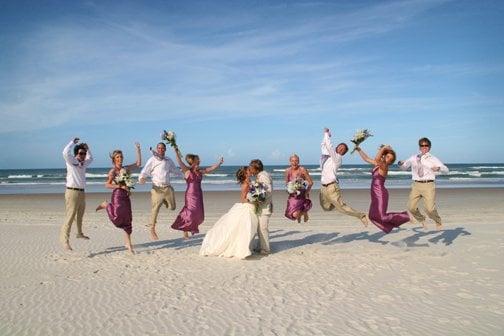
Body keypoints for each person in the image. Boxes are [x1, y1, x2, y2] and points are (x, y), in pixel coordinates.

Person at [199, 167, 259, 259]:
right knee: (245, 228)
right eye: (248, 171)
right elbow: (243, 199)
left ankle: (246, 247)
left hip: (251, 207)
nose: (250, 172)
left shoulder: (250, 181)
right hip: (247, 207)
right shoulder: (245, 184)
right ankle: (240, 249)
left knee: (248, 228)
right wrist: (253, 200)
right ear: (245, 174)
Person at [95, 143, 142, 254]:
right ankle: (106, 205)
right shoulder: (113, 171)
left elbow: (138, 164)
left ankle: (129, 246)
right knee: (117, 219)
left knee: (128, 220)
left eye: (121, 157)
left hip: (126, 197)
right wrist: (120, 186)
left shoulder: (126, 169)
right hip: (117, 196)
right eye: (117, 157)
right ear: (114, 159)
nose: (120, 158)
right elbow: (107, 185)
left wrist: (138, 150)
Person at [355, 145, 411, 233]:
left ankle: (406, 216)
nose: (388, 159)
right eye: (387, 156)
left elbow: (377, 159)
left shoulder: (384, 166)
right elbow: (366, 158)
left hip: (381, 193)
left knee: (382, 216)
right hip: (374, 193)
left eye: (390, 159)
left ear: (390, 162)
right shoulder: (378, 164)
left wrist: (384, 148)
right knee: (372, 216)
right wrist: (359, 150)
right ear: (384, 155)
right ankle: (391, 226)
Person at [171, 147, 224, 239]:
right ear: (194, 161)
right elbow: (180, 162)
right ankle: (185, 230)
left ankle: (191, 227)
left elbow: (210, 169)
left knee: (198, 214)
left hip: (199, 194)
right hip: (190, 194)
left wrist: (219, 163)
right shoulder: (187, 170)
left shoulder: (200, 171)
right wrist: (176, 152)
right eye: (198, 159)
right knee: (190, 212)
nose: (199, 160)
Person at [319, 128, 368, 226]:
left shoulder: (337, 158)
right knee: (325, 207)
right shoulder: (327, 156)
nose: (341, 149)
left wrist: (326, 133)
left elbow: (329, 146)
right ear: (337, 147)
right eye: (340, 147)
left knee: (341, 208)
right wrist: (327, 135)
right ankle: (335, 203)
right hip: (323, 187)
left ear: (343, 153)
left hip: (332, 187)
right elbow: (324, 145)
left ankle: (361, 216)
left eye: (343, 149)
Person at [398, 137, 449, 230]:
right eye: (422, 145)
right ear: (419, 147)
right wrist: (400, 164)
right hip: (416, 185)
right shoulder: (413, 157)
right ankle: (421, 219)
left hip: (428, 185)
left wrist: (439, 168)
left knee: (429, 209)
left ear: (429, 147)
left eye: (426, 145)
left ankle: (438, 221)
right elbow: (404, 168)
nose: (424, 147)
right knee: (411, 207)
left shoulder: (433, 158)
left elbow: (446, 170)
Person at [138, 142, 182, 240]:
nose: (161, 150)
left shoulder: (168, 160)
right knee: (155, 208)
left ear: (165, 150)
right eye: (159, 148)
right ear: (157, 149)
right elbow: (145, 170)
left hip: (167, 188)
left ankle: (165, 201)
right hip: (157, 189)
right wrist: (141, 178)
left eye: (163, 148)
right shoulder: (152, 160)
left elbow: (175, 170)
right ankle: (152, 228)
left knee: (172, 208)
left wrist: (184, 175)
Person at [60, 137, 93, 251]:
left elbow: (91, 158)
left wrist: (87, 149)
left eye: (84, 154)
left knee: (80, 215)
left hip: (81, 192)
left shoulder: (83, 163)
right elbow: (65, 152)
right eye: (81, 153)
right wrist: (72, 143)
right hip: (72, 192)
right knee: (70, 216)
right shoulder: (71, 161)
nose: (83, 156)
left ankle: (79, 233)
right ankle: (65, 241)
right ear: (76, 154)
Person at [249, 159, 273, 255]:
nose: (250, 170)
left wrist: (256, 197)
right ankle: (261, 246)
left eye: (251, 168)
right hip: (262, 206)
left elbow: (267, 191)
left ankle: (265, 249)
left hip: (265, 207)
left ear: (256, 168)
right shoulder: (261, 175)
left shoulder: (263, 176)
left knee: (263, 228)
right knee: (259, 228)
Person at [284, 154, 313, 222]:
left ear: (299, 161)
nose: (294, 162)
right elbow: (287, 183)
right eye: (292, 161)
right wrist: (289, 190)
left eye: (296, 161)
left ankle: (304, 213)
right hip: (293, 195)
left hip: (302, 195)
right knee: (290, 215)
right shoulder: (287, 171)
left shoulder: (302, 170)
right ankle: (303, 212)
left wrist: (306, 193)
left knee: (295, 215)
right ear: (290, 161)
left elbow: (311, 182)